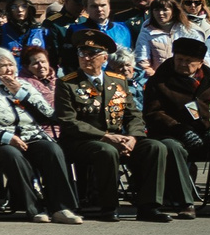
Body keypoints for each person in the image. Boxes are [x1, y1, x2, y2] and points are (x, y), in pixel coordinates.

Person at [58, 32, 180, 221]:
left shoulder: (118, 81)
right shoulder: (68, 83)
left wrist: (133, 137)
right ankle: (109, 206)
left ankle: (149, 206)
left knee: (155, 147)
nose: (86, 58)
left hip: (119, 138)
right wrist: (106, 136)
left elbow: (133, 114)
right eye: (82, 53)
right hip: (83, 141)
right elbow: (69, 122)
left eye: (92, 53)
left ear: (105, 58)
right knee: (106, 150)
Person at [0, 47, 77, 222]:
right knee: (12, 155)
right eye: (2, 66)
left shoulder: (25, 85)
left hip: (31, 137)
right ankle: (34, 208)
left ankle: (61, 208)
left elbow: (48, 114)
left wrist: (20, 93)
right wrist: (7, 138)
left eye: (10, 65)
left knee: (52, 150)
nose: (8, 70)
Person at [142, 37, 210, 220]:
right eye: (179, 59)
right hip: (175, 134)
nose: (183, 64)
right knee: (172, 148)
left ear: (200, 63)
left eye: (188, 61)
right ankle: (185, 203)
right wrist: (181, 130)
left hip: (209, 135)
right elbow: (154, 113)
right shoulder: (159, 82)